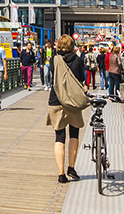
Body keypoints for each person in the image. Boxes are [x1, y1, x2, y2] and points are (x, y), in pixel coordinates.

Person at [46, 34, 85, 184]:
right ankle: (71, 167)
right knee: (74, 134)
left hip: (56, 100)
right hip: (73, 102)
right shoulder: (77, 60)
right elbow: (81, 78)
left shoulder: (54, 60)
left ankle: (61, 174)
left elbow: (52, 77)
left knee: (59, 137)